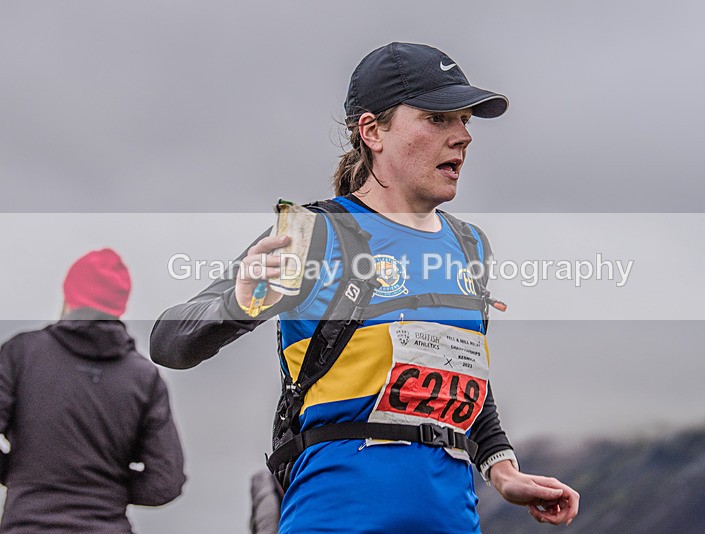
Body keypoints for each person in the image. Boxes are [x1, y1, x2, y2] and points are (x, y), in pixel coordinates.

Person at [151, 42, 579, 532]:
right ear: (372, 131)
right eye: (439, 118)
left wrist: (503, 472)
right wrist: (239, 300)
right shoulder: (316, 234)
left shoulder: (470, 246)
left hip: (453, 521)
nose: (463, 136)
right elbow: (170, 344)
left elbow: (466, 385)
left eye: (465, 120)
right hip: (333, 519)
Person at [0, 248, 186, 533]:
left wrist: (18, 472)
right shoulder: (144, 378)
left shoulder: (20, 355)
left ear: (68, 296)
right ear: (119, 307)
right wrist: (106, 487)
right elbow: (166, 482)